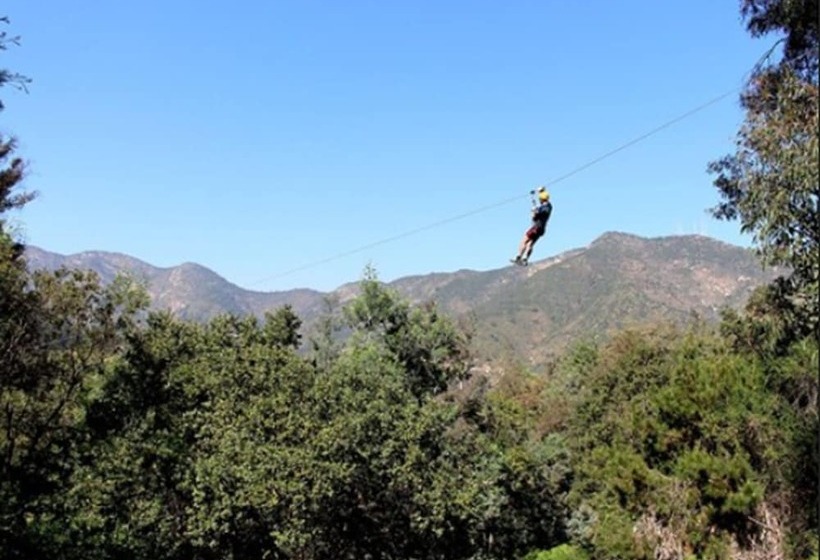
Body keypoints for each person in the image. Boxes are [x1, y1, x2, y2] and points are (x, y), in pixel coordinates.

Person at [512, 186, 552, 266]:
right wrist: (541, 190)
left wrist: (533, 211)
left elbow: (534, 217)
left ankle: (518, 257)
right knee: (530, 244)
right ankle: (525, 259)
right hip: (542, 229)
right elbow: (543, 199)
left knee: (524, 240)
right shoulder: (549, 206)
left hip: (536, 227)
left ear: (541, 199)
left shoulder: (542, 209)